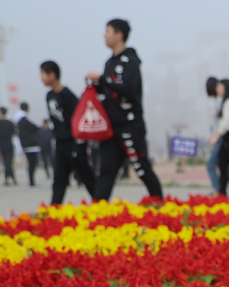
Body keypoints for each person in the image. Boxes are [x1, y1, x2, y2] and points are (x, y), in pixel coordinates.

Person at [86, 18, 164, 201]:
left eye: (108, 31)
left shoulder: (131, 61)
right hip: (111, 128)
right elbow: (109, 91)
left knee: (141, 167)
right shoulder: (109, 63)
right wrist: (96, 87)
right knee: (106, 171)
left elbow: (129, 89)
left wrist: (102, 80)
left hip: (130, 125)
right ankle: (99, 212)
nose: (104, 35)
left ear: (119, 35)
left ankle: (161, 205)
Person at [41, 60, 97, 204]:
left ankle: (101, 204)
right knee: (59, 180)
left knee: (86, 177)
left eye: (43, 74)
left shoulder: (67, 95)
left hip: (74, 143)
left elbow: (79, 119)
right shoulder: (49, 96)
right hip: (60, 145)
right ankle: (54, 211)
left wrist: (80, 144)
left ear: (52, 75)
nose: (41, 78)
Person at [204, 77, 229, 194]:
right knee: (225, 165)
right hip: (218, 136)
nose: (218, 88)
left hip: (221, 137)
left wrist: (216, 136)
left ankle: (218, 189)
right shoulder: (216, 101)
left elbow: (224, 122)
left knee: (212, 164)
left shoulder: (224, 101)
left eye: (219, 86)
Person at [15, 102, 42, 187]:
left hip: (26, 144)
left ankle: (32, 182)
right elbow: (35, 128)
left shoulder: (20, 120)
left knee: (32, 163)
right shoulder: (24, 120)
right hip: (30, 145)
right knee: (32, 163)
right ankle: (32, 182)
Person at [0, 107, 16, 184]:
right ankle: (12, 178)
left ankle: (8, 179)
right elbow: (14, 133)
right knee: (8, 162)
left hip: (2, 144)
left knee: (6, 162)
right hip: (9, 144)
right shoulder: (10, 123)